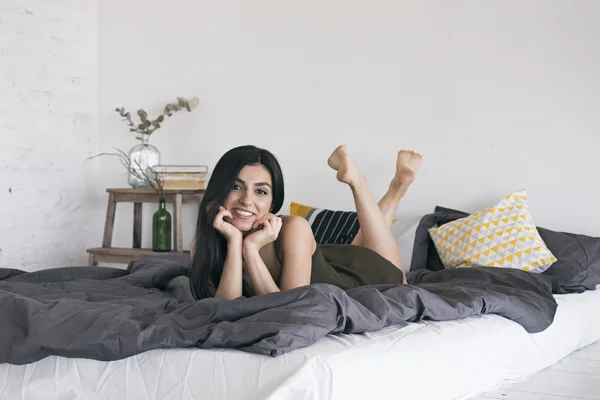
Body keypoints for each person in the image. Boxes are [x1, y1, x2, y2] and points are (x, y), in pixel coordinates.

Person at [189, 144, 422, 300]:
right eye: (236, 187)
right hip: (330, 264)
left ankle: (360, 182)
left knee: (396, 280)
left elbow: (291, 307)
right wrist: (234, 243)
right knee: (363, 243)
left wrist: (250, 250)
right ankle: (398, 187)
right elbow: (225, 309)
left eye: (260, 192)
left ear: (272, 204)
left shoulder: (294, 228)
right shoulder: (203, 246)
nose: (246, 200)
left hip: (367, 278)